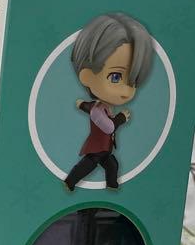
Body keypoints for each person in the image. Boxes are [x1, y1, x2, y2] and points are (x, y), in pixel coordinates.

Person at [64, 12, 153, 191]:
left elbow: (87, 107)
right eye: (115, 77)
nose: (126, 92)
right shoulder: (98, 111)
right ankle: (69, 182)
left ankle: (112, 184)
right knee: (87, 166)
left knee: (112, 164)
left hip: (106, 149)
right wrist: (121, 118)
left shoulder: (97, 106)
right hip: (97, 149)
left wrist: (80, 104)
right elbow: (109, 127)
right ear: (87, 76)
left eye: (133, 81)